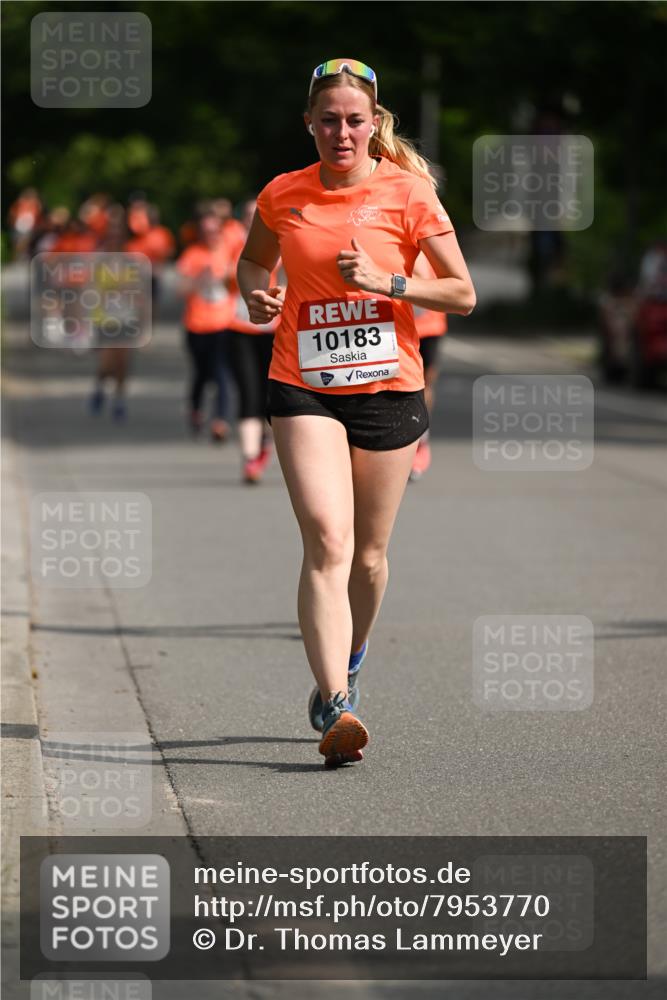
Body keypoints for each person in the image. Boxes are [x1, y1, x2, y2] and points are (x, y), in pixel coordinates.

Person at [238, 58, 475, 767]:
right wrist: (258, 295)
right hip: (302, 383)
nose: (341, 132)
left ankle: (352, 655)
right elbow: (254, 265)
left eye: (353, 120)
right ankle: (335, 701)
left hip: (388, 387)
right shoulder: (283, 195)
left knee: (368, 559)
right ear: (308, 124)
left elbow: (460, 294)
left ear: (374, 125)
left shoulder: (409, 193)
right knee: (326, 543)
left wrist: (389, 282)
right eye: (328, 120)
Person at [226, 199, 279, 483]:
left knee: (272, 397)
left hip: (277, 330)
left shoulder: (283, 241)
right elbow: (222, 280)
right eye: (247, 216)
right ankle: (249, 458)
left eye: (254, 215)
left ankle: (266, 441)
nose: (251, 220)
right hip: (241, 328)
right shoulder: (234, 246)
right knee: (248, 391)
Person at [176, 211, 236, 441]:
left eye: (215, 231)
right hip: (197, 324)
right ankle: (196, 409)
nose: (211, 235)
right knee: (202, 373)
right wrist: (199, 279)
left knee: (221, 372)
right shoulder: (193, 254)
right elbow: (181, 289)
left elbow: (242, 278)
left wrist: (229, 277)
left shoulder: (230, 251)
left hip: (224, 322)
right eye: (206, 231)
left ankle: (219, 421)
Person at [409, 253, 448, 480]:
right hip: (394, 323)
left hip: (429, 324)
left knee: (425, 386)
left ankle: (421, 442)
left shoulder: (431, 224)